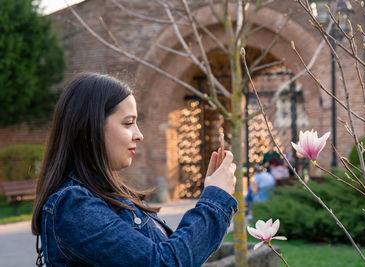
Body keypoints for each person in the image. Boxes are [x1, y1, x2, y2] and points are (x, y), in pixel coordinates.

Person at [31, 73, 237, 267]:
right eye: (128, 123)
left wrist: (213, 192)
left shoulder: (110, 195)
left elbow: (173, 253)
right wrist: (215, 200)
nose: (139, 135)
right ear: (89, 127)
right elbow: (164, 263)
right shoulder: (73, 206)